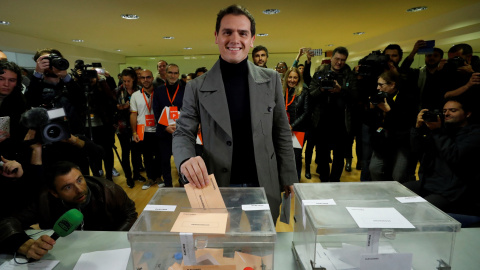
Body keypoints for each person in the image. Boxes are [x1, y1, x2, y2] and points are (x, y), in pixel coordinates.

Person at [172, 4, 297, 222]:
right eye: (227, 32)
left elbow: (281, 131)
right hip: (219, 184)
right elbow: (183, 132)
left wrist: (288, 176)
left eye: (243, 33)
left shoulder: (271, 79)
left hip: (263, 181)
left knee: (261, 247)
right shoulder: (197, 86)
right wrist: (185, 159)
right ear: (217, 37)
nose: (235, 39)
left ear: (252, 39)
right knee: (225, 248)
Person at [2, 161, 137, 258]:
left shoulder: (109, 190)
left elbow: (130, 214)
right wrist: (22, 244)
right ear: (54, 193)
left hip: (105, 252)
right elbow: (8, 221)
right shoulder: (43, 199)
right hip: (63, 252)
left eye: (79, 180)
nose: (79, 190)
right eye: (68, 187)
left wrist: (110, 240)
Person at [404, 98, 480, 218]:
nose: (446, 114)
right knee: (396, 192)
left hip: (453, 190)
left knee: (421, 210)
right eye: (444, 111)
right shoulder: (441, 130)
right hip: (429, 182)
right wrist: (418, 129)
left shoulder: (475, 134)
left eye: (452, 110)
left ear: (467, 114)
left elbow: (454, 156)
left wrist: (437, 131)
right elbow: (417, 150)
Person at [309, 46, 357, 182]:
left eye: (343, 60)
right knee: (322, 156)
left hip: (341, 123)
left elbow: (355, 96)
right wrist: (322, 89)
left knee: (339, 156)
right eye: (337, 59)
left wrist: (341, 90)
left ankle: (335, 182)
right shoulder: (320, 72)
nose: (339, 62)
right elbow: (312, 93)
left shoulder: (349, 74)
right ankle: (324, 181)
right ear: (331, 58)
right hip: (322, 121)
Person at [366, 70, 417, 183]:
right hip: (382, 140)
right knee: (374, 169)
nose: (378, 88)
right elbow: (370, 122)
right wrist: (371, 109)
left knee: (398, 176)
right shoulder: (380, 97)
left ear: (392, 84)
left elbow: (405, 123)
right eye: (377, 84)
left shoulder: (407, 98)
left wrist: (389, 111)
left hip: (402, 142)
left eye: (381, 85)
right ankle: (382, 193)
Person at [153, 64, 185, 187]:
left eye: (176, 73)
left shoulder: (184, 89)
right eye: (170, 73)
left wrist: (181, 126)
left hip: (181, 130)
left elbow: (188, 109)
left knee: (181, 159)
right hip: (164, 130)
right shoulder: (159, 90)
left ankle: (183, 183)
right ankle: (168, 185)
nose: (173, 75)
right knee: (165, 160)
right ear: (165, 74)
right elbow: (156, 110)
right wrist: (165, 126)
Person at [131, 69, 164, 189]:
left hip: (159, 129)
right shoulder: (135, 95)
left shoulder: (160, 93)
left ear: (152, 78)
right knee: (147, 156)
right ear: (140, 79)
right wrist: (134, 132)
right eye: (143, 78)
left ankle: (158, 177)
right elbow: (133, 114)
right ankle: (150, 178)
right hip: (143, 130)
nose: (146, 80)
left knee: (159, 155)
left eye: (148, 77)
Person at [115, 68, 145, 188]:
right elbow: (112, 107)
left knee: (136, 151)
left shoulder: (139, 90)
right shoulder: (117, 91)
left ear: (133, 80)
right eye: (124, 80)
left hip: (137, 125)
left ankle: (137, 173)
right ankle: (128, 176)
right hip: (122, 126)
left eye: (128, 81)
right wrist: (121, 108)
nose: (126, 83)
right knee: (126, 151)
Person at [283, 67, 309, 180]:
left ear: (299, 79)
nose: (292, 80)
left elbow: (306, 113)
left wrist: (292, 126)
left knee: (296, 158)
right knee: (284, 157)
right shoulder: (282, 91)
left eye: (295, 77)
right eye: (290, 77)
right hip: (283, 130)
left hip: (297, 130)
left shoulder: (304, 92)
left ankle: (296, 181)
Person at [0, 60, 27, 159]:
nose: (6, 84)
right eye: (1, 79)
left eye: (11, 80)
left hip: (10, 154)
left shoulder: (20, 101)